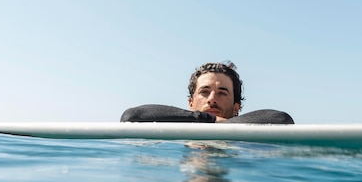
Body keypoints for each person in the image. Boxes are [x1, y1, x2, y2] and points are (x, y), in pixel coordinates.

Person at [120, 61, 294, 124]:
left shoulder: (246, 137)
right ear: (190, 103)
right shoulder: (174, 140)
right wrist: (209, 119)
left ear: (236, 108)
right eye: (204, 91)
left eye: (222, 92)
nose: (212, 99)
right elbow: (131, 115)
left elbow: (281, 119)